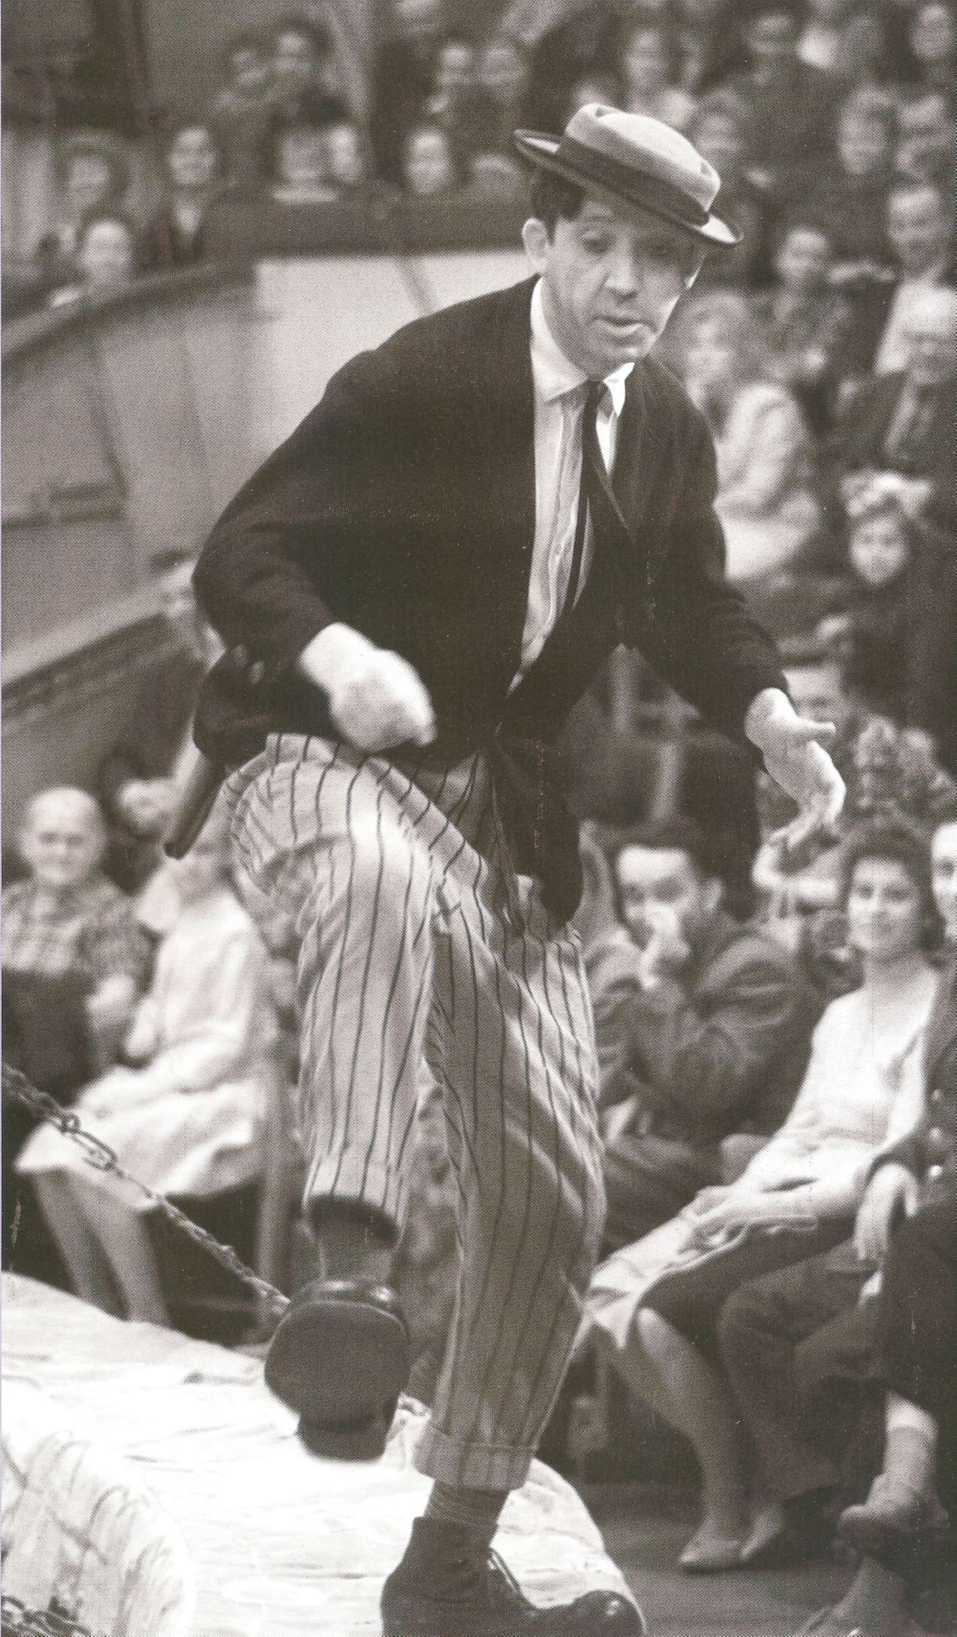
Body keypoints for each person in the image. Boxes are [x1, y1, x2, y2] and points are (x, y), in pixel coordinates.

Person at [190, 104, 845, 1634]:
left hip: (506, 817)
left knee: (553, 1197)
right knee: (374, 885)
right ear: (540, 236)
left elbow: (690, 607)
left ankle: (446, 1564)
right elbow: (240, 556)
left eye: (661, 261)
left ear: (687, 279)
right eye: (600, 245)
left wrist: (771, 718)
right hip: (321, 755)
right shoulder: (422, 377)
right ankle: (349, 1279)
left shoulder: (661, 425)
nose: (628, 283)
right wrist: (339, 655)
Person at [586, 821, 938, 1574]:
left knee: (676, 1307)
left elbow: (892, 1153)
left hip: (841, 1208)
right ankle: (751, 1487)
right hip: (780, 1188)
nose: (876, 910)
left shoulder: (935, 1007)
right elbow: (798, 1128)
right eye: (863, 893)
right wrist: (736, 1194)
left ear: (925, 910)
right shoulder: (842, 1014)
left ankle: (751, 1495)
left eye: (897, 895)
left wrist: (765, 1208)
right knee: (626, 1299)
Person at [16, 807, 278, 1328]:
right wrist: (138, 1028)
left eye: (206, 852)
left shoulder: (234, 933)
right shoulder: (186, 918)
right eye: (179, 852)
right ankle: (98, 1302)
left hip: (226, 1096)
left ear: (227, 858)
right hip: (173, 1080)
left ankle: (146, 1313)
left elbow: (223, 1046)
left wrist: (140, 1090)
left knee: (90, 1158)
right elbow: (165, 1006)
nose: (190, 865)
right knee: (46, 1149)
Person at [587, 817, 818, 1251]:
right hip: (676, 1149)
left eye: (667, 894)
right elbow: (609, 1077)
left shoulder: (756, 969)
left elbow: (709, 1088)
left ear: (710, 894)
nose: (648, 914)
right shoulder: (670, 960)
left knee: (573, 1172)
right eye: (634, 897)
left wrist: (656, 985)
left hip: (742, 1160)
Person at [2, 788, 151, 1274]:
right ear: (26, 843)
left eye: (75, 841)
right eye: (48, 839)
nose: (61, 852)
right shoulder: (10, 903)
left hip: (62, 1077)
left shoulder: (109, 912)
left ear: (98, 846)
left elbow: (118, 995)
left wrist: (109, 997)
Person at [675, 290, 823, 620]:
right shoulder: (694, 402)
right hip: (714, 519)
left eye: (719, 345)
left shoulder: (772, 406)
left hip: (771, 524)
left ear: (741, 352)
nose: (703, 356)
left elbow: (758, 496)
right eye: (695, 345)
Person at [98, 548, 219, 899]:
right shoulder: (168, 677)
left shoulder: (254, 668)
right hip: (159, 837)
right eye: (167, 600)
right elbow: (120, 759)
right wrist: (133, 795)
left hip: (219, 834)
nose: (178, 610)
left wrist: (184, 802)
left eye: (188, 596)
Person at [140, 123, 223, 271]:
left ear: (217, 158)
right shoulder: (154, 226)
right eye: (182, 152)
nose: (193, 161)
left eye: (203, 152)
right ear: (168, 159)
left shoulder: (235, 214)